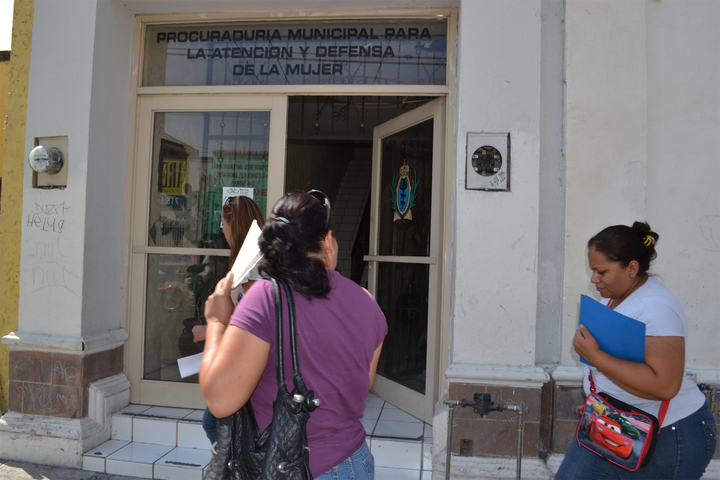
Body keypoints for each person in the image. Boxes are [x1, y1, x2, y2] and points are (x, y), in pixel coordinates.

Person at [200, 191, 387, 479]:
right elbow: (361, 384)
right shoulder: (367, 301)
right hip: (354, 464)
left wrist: (216, 322)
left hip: (286, 468)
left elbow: (220, 400)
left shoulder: (265, 298)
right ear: (327, 242)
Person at [556, 221, 717, 480]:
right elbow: (626, 357)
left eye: (601, 271)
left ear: (631, 268)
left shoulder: (656, 308)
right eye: (593, 270)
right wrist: (604, 398)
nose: (593, 279)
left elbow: (665, 385)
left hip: (668, 436)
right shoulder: (615, 294)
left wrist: (595, 356)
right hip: (615, 421)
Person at [194, 195, 265, 444]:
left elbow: (257, 319)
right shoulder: (256, 257)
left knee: (214, 422)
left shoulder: (254, 264)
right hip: (251, 357)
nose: (222, 230)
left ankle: (230, 462)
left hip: (251, 360)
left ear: (234, 225)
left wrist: (211, 328)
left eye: (223, 224)